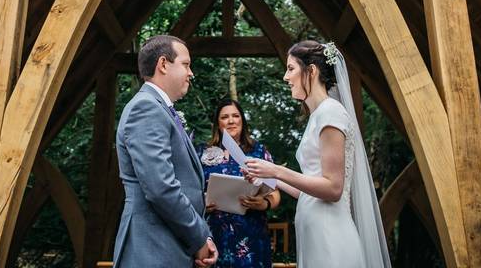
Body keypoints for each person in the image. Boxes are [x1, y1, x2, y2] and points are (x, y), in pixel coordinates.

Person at [242, 41, 391, 268]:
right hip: (315, 235)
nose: (285, 76)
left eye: (291, 68)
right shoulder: (318, 116)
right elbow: (310, 192)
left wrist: (277, 169)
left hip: (330, 237)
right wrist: (270, 178)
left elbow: (332, 189)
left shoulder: (331, 113)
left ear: (311, 71)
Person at [113, 35, 218, 267]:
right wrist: (199, 238)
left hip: (169, 245)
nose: (191, 73)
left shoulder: (159, 109)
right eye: (186, 64)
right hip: (152, 248)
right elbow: (161, 188)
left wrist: (202, 235)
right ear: (163, 64)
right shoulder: (146, 108)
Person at [196, 99, 281, 268]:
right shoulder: (202, 153)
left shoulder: (259, 152)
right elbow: (190, 191)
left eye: (235, 116)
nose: (231, 121)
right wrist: (201, 202)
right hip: (214, 235)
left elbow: (276, 193)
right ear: (217, 123)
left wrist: (264, 203)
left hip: (252, 234)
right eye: (224, 117)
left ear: (242, 120)